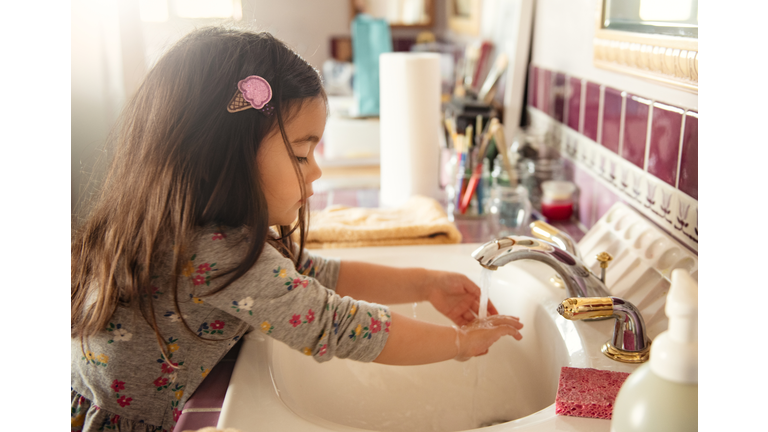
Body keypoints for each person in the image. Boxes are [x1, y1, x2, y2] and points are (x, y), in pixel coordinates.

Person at [71, 26, 524, 431]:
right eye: (303, 154)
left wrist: (424, 283)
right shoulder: (216, 250)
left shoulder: (177, 221)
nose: (316, 172)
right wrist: (461, 343)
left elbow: (313, 273)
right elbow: (336, 324)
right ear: (228, 153)